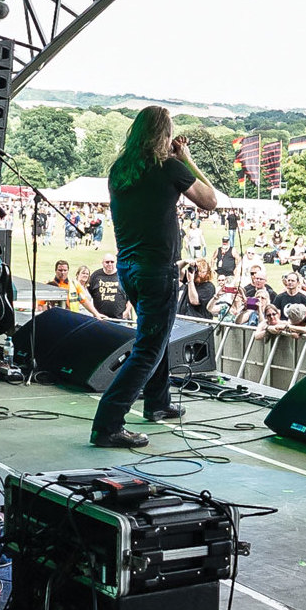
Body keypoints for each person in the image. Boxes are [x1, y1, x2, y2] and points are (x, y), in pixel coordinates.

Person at [92, 107, 220, 449]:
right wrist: (187, 157)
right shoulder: (170, 168)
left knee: (156, 333)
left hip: (128, 268)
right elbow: (210, 201)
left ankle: (158, 403)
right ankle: (108, 424)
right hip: (156, 269)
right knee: (148, 347)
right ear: (164, 136)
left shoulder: (121, 169)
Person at [84, 255, 129, 321]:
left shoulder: (122, 275)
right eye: (107, 262)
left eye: (112, 262)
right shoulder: (95, 276)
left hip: (120, 319)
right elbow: (86, 296)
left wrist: (127, 311)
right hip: (100, 319)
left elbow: (133, 294)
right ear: (102, 263)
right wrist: (94, 313)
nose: (110, 264)